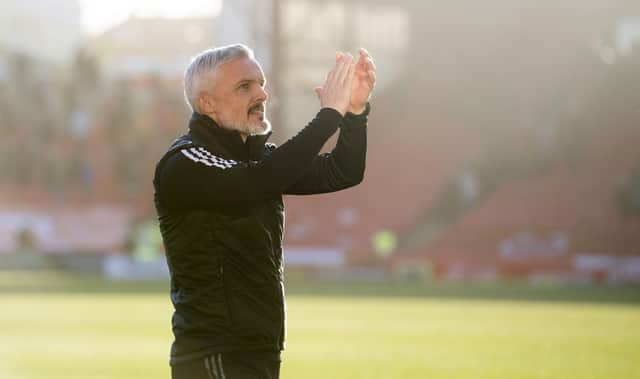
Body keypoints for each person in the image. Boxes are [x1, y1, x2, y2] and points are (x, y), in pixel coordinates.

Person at [153, 43, 375, 379]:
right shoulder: (185, 162)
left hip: (258, 349)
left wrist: (355, 113)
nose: (261, 94)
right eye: (244, 87)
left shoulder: (255, 159)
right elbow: (258, 182)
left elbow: (342, 171)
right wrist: (329, 114)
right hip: (214, 355)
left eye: (261, 83)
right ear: (206, 103)